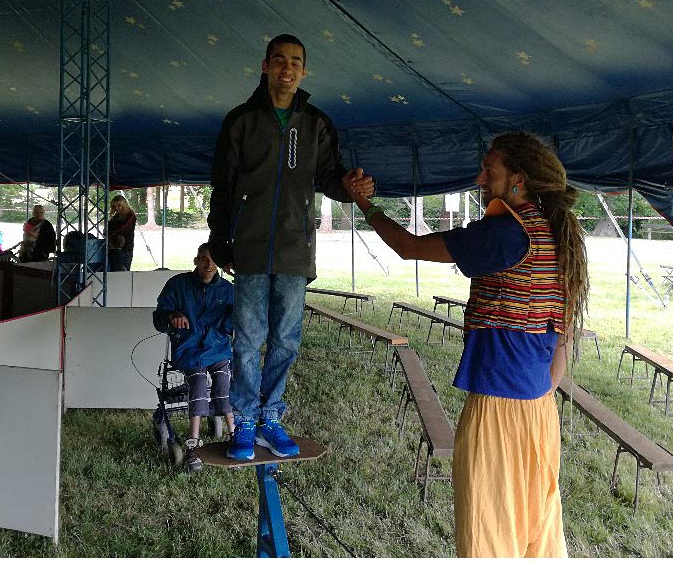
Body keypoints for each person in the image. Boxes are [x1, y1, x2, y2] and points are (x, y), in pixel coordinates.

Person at [346, 132, 589, 557]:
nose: (479, 178)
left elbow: (408, 247)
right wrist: (533, 393)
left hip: (497, 412)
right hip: (540, 413)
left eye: (488, 169)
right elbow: (561, 349)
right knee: (534, 539)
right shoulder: (554, 234)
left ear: (517, 179)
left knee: (487, 540)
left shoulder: (507, 234)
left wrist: (364, 204)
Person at [208, 34, 374, 461]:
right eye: (279, 60)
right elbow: (223, 186)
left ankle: (271, 417)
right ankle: (245, 421)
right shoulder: (241, 121)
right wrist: (218, 239)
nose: (287, 68)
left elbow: (330, 178)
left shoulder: (316, 123)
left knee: (285, 339)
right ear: (265, 66)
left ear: (304, 70)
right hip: (248, 246)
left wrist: (350, 186)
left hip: (295, 248)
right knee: (248, 339)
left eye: (295, 62)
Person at [152, 243, 237, 472]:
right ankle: (194, 444)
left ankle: (235, 436)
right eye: (203, 259)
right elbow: (159, 318)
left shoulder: (228, 290)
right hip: (189, 349)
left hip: (218, 348)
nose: (208, 264)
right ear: (196, 260)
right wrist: (172, 316)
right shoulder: (177, 285)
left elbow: (232, 325)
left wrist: (235, 319)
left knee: (223, 381)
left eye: (213, 260)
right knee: (198, 382)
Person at [107, 195, 137, 271]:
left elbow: (122, 229)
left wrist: (111, 234)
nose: (116, 208)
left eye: (119, 205)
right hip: (113, 248)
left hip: (126, 248)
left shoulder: (130, 215)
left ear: (124, 205)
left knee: (123, 271)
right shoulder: (116, 216)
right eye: (114, 206)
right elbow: (108, 228)